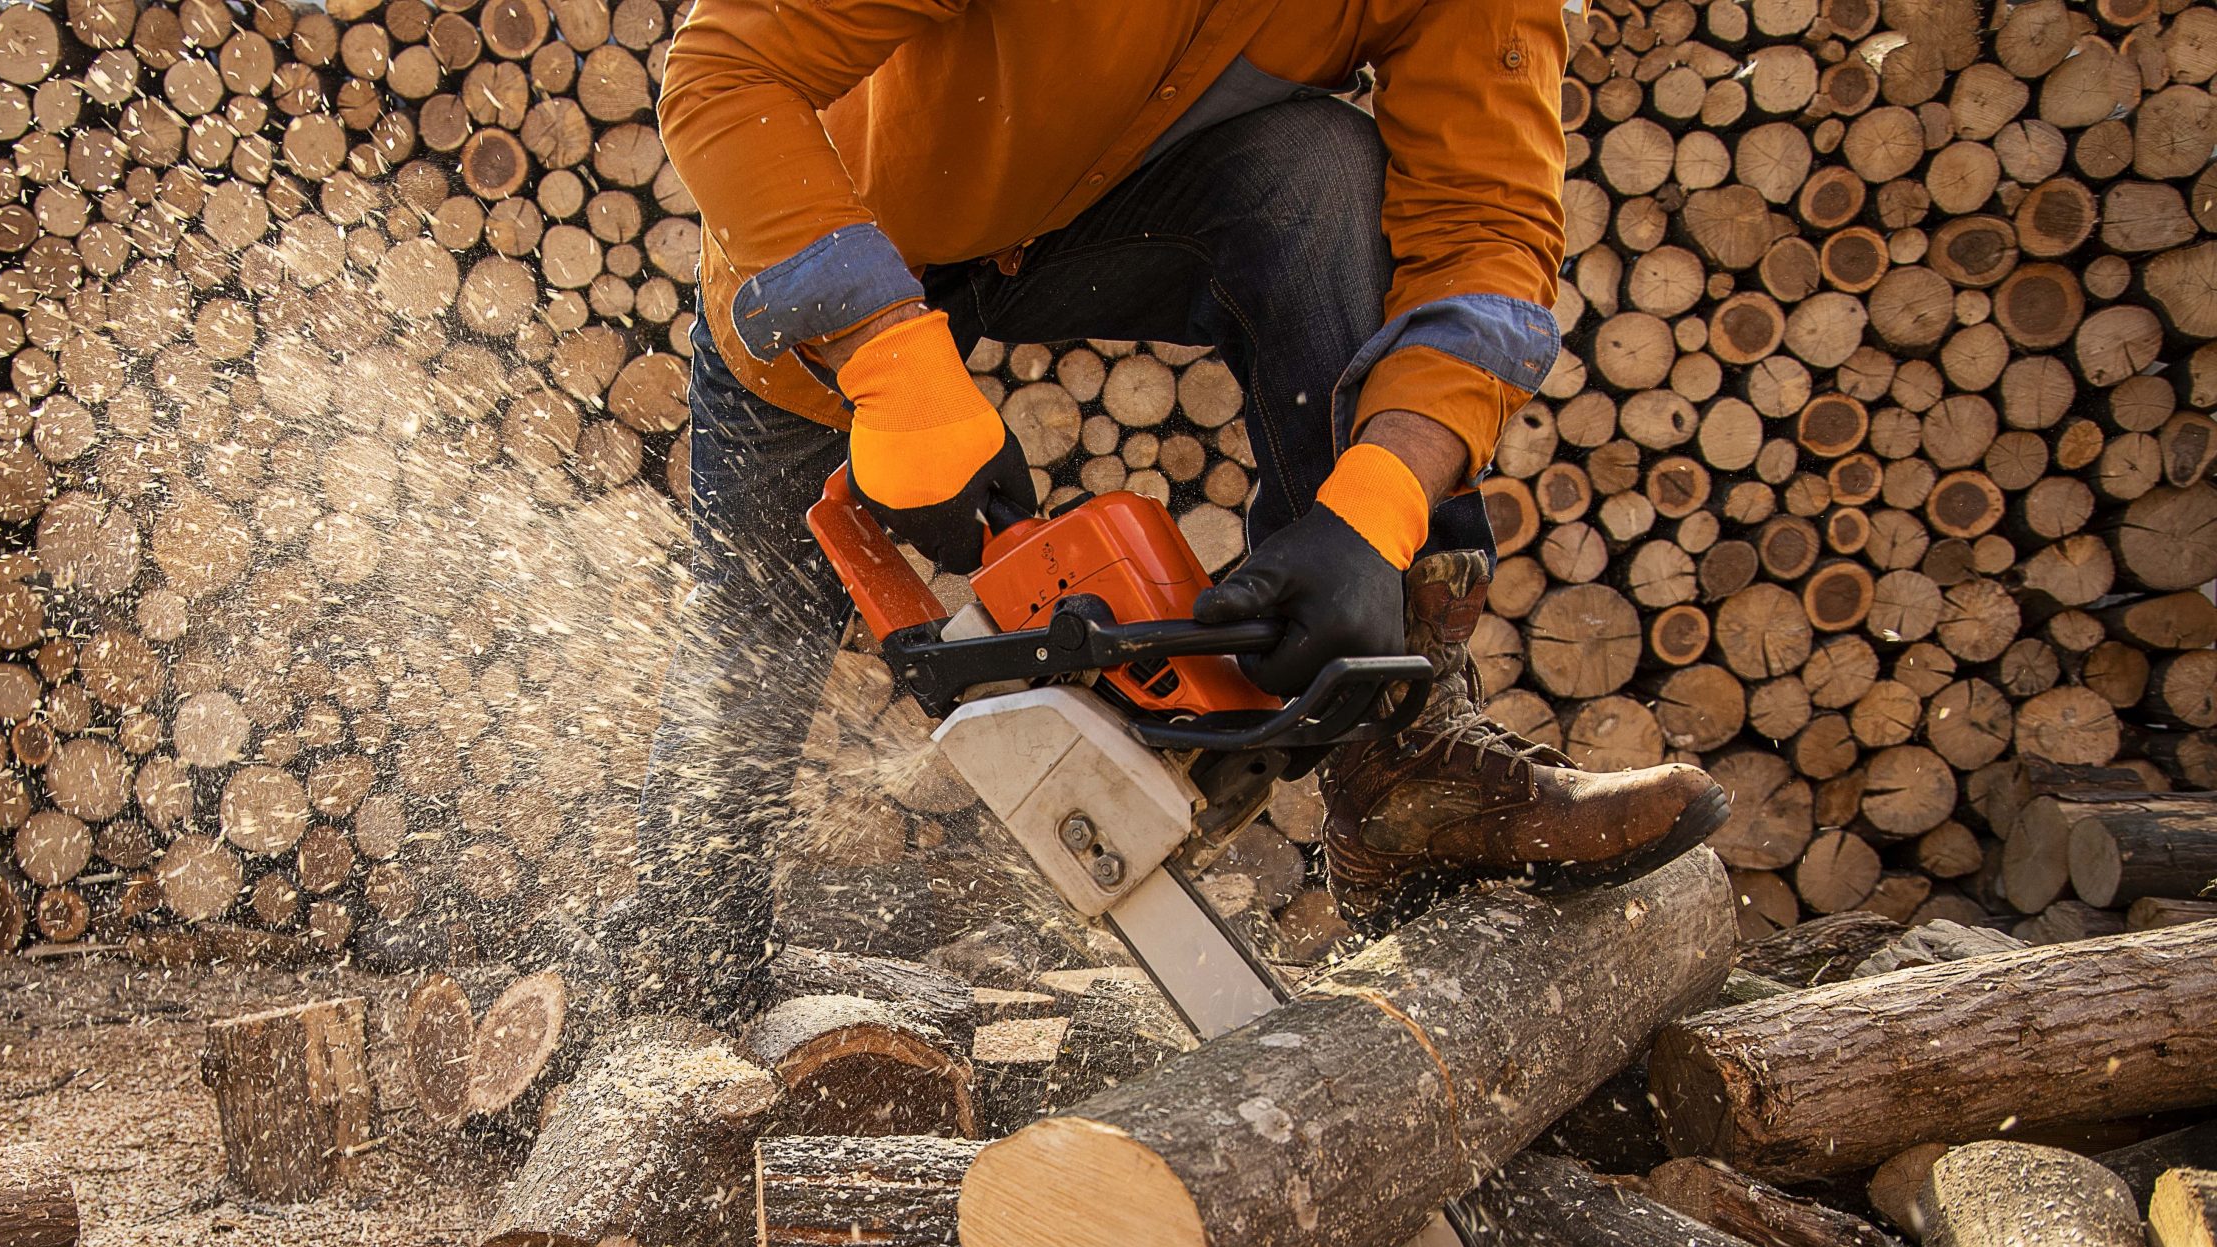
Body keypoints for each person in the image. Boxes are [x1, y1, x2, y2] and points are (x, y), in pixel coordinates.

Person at [620, 0, 1729, 1023]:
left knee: (1322, 176)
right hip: (831, 226)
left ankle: (1405, 766)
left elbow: (1484, 243)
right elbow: (725, 69)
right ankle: (678, 982)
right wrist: (898, 378)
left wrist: (1374, 511)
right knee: (747, 651)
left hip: (1110, 208)